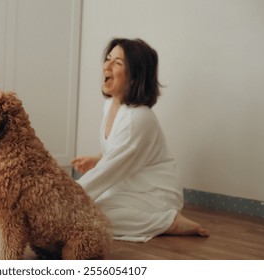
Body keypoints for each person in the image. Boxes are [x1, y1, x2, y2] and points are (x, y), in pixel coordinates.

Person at [72, 38, 209, 242]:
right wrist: (97, 158)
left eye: (117, 63)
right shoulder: (110, 105)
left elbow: (107, 172)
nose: (107, 66)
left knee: (87, 214)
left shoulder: (137, 118)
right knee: (86, 208)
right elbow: (118, 151)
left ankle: (168, 221)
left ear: (134, 77)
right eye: (108, 59)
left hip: (155, 194)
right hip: (128, 187)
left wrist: (64, 197)